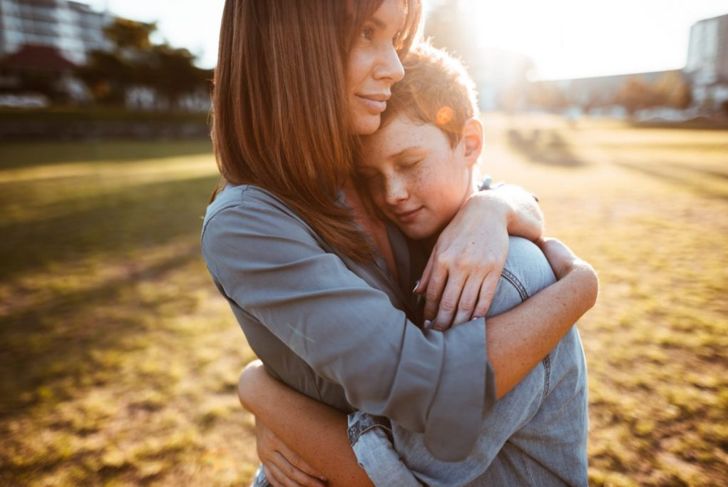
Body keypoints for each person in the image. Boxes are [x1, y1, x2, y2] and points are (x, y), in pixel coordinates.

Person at [201, 0, 597, 485]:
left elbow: (483, 187)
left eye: (394, 38)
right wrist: (578, 287)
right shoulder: (250, 221)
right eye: (368, 32)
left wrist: (494, 208)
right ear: (293, 44)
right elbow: (423, 386)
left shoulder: (368, 177)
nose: (392, 66)